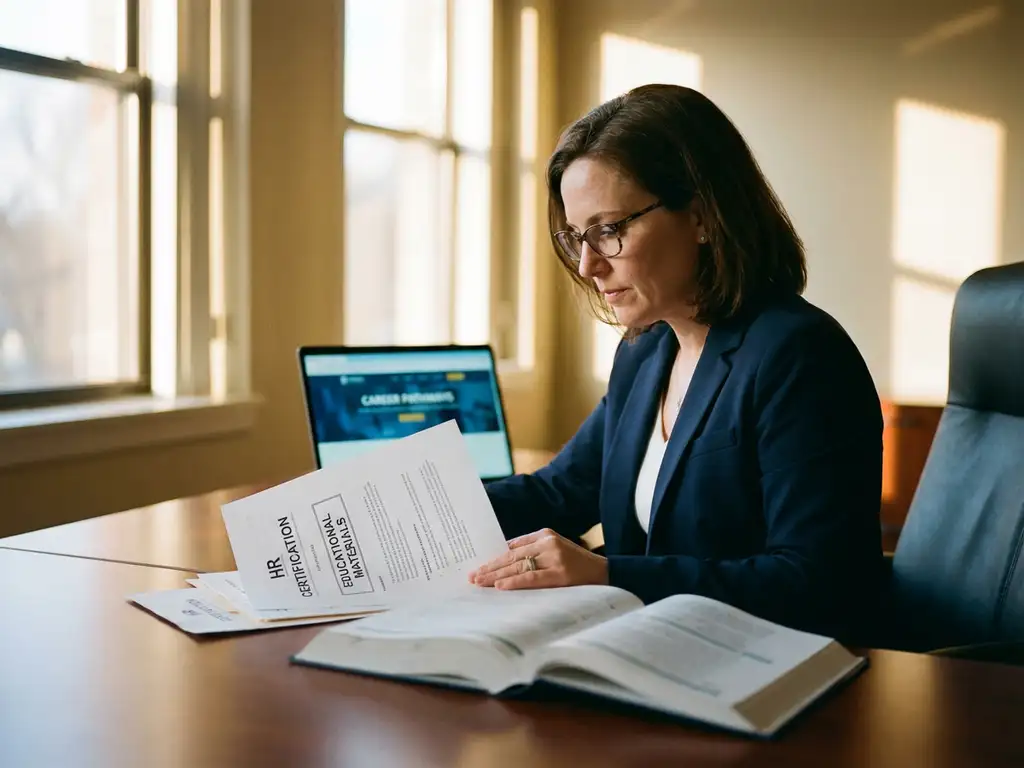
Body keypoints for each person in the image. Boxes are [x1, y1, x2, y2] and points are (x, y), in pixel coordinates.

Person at [469, 84, 885, 640]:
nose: (589, 265)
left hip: (768, 682)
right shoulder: (646, 349)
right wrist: (400, 521)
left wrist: (610, 576)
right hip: (650, 654)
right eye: (576, 237)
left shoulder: (799, 354)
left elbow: (816, 581)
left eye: (609, 230)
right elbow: (558, 494)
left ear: (702, 217)